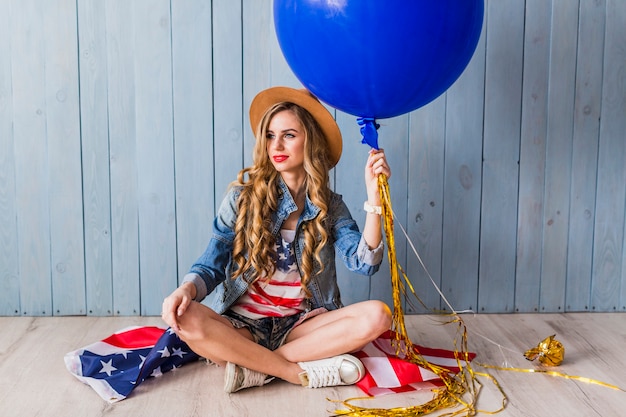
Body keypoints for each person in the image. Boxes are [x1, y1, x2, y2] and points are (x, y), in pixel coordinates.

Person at [161, 86, 392, 393]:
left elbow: (364, 264)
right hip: (242, 326)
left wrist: (374, 199)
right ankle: (290, 371)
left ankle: (254, 366)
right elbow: (212, 262)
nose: (276, 145)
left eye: (289, 135)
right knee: (186, 317)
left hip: (301, 328)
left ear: (310, 140)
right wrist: (186, 289)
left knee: (379, 315)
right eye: (270, 135)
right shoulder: (241, 198)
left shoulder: (330, 205)